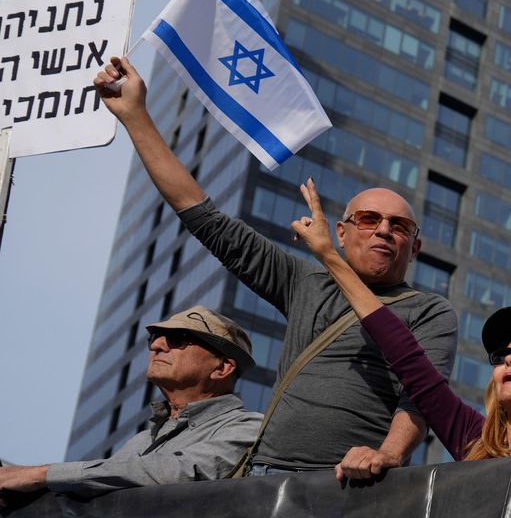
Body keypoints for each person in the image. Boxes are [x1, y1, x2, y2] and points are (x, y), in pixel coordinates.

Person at [92, 57, 458, 480]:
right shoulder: (305, 281)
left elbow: (423, 396)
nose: (383, 231)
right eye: (368, 220)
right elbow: (205, 219)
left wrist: (389, 454)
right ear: (341, 232)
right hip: (263, 478)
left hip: (349, 484)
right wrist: (136, 117)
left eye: (400, 226)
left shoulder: (430, 312)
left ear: (415, 247)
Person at [289, 140, 511, 460]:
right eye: (501, 356)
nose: (509, 361)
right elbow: (407, 359)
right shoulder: (473, 442)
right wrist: (330, 257)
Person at [0, 306, 261, 506]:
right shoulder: (140, 442)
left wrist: (43, 474)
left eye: (178, 339)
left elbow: (177, 471)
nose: (157, 345)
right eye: (157, 338)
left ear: (223, 367)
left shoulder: (250, 428)